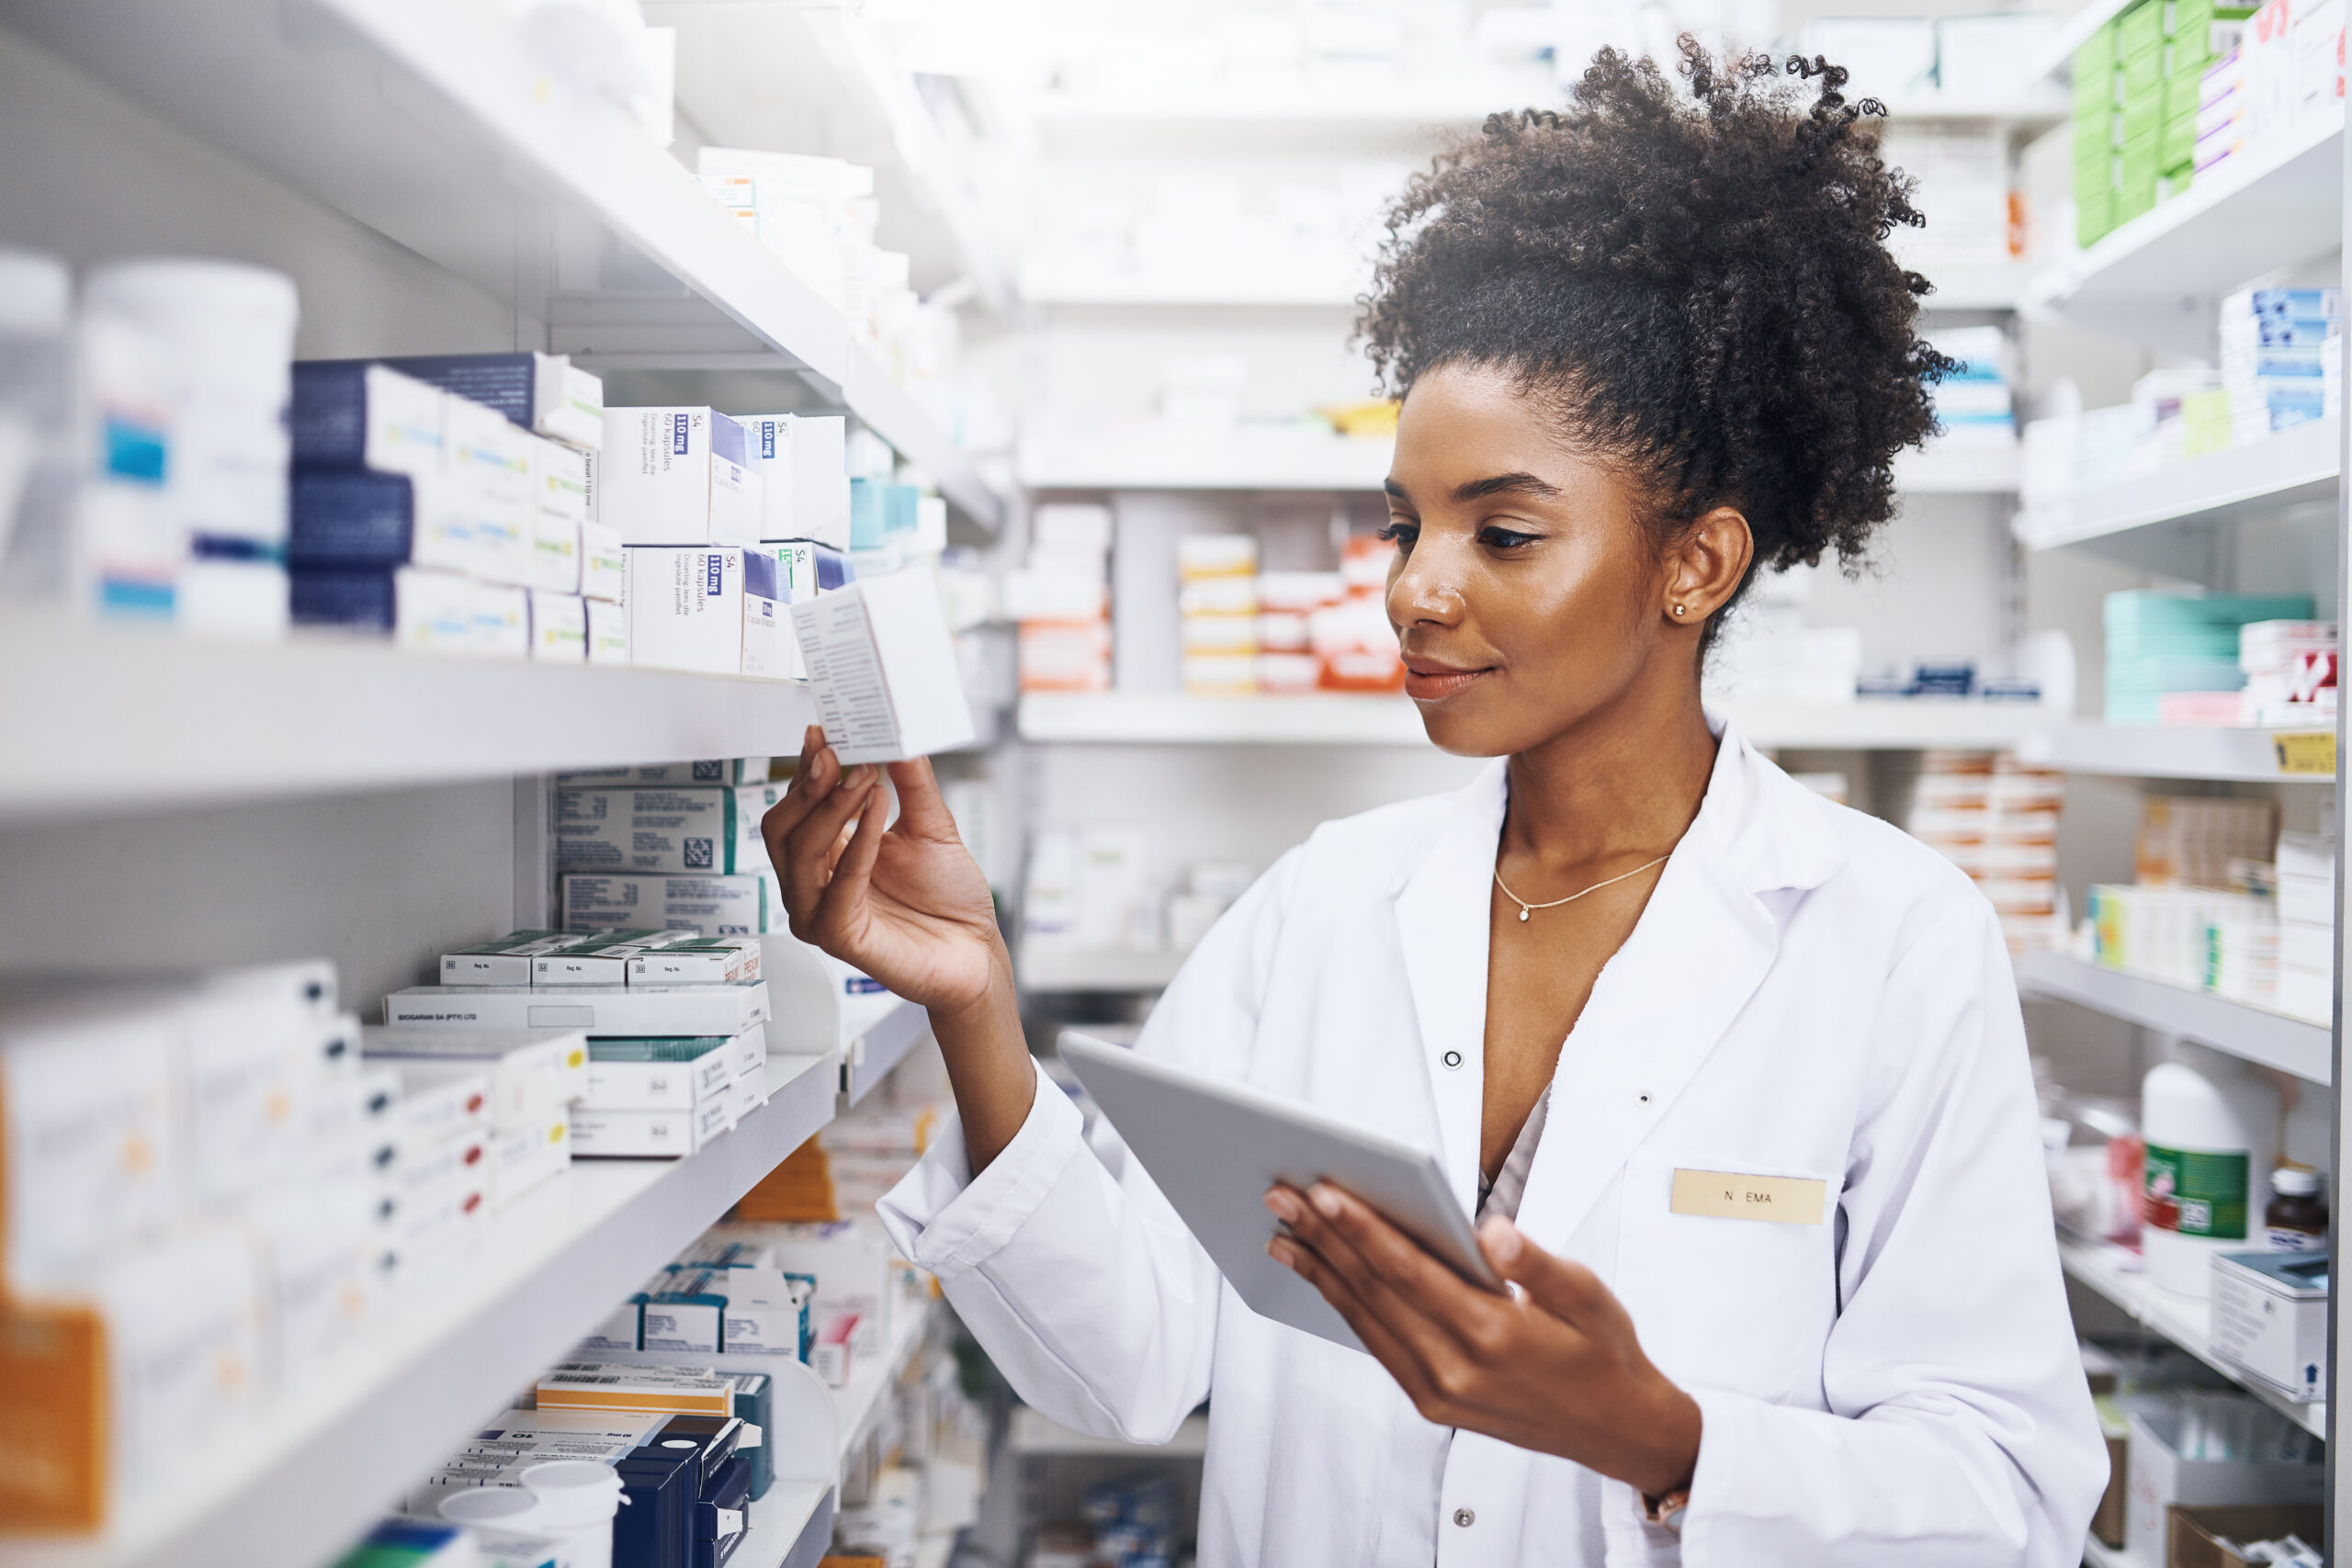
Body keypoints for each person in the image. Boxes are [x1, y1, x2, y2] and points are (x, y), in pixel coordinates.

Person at [764, 42, 2105, 1567]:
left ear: (1698, 563)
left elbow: (2005, 1500)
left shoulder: (1890, 942)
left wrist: (1659, 1438)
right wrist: (974, 1003)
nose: (1414, 589)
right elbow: (1130, 1361)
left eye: (1506, 534)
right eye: (1405, 526)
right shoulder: (1323, 907)